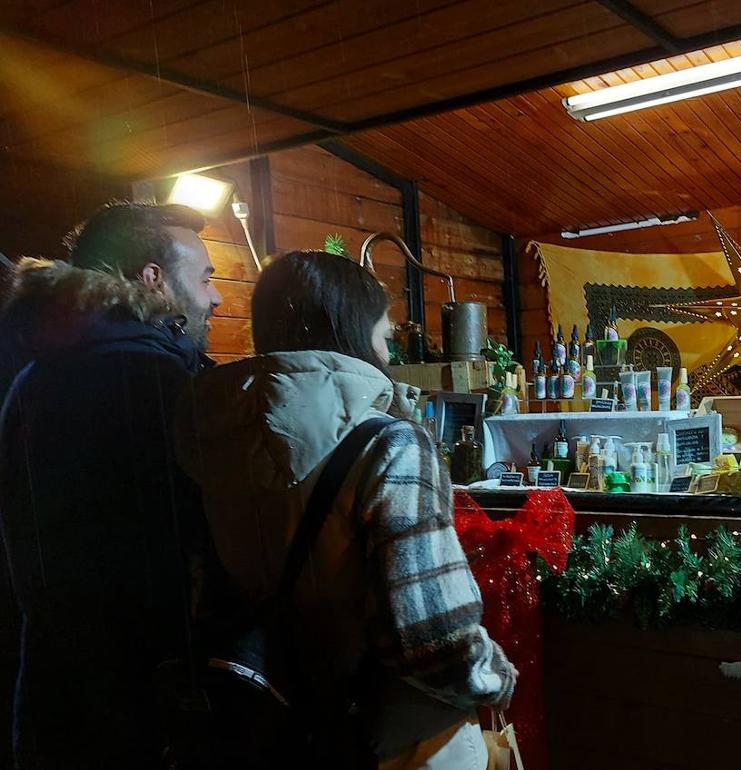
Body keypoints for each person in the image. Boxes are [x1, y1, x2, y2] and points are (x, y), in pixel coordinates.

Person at [174, 251, 515, 769]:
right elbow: (431, 635)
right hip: (402, 735)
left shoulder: (214, 437)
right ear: (355, 334)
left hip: (285, 722)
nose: (388, 349)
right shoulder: (391, 444)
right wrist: (494, 677)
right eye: (383, 335)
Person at [0, 202, 223, 769]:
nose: (215, 298)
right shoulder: (155, 380)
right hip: (148, 705)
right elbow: (193, 554)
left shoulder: (37, 374)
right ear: (154, 279)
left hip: (55, 695)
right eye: (203, 278)